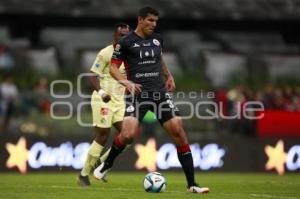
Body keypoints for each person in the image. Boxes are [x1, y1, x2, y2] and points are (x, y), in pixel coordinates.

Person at [93, 6, 209, 194]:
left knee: (178, 130)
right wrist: (126, 82)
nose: (154, 24)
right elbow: (113, 68)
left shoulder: (158, 39)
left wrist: (169, 76)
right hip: (137, 93)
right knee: (128, 134)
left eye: (156, 21)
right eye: (150, 20)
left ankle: (192, 184)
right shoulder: (126, 42)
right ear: (140, 20)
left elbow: (159, 58)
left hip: (159, 93)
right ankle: (106, 165)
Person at [77, 23, 130, 186]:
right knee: (102, 136)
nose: (124, 37)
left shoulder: (130, 54)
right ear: (114, 36)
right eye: (121, 35)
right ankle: (84, 175)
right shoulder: (106, 53)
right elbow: (92, 76)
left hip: (120, 101)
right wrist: (102, 93)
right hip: (103, 99)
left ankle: (101, 163)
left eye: (126, 35)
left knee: (128, 136)